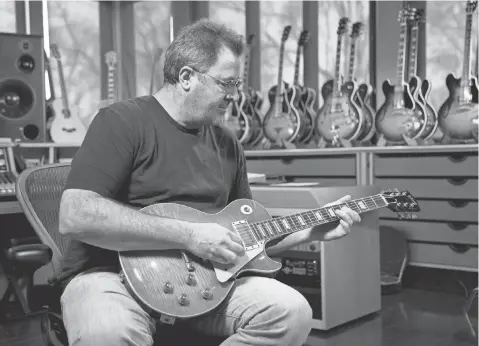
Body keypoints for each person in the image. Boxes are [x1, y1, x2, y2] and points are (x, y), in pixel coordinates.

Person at [56, 19, 361, 346]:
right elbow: (75, 214)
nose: (235, 95)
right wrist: (190, 235)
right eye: (226, 83)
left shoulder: (229, 144)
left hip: (209, 283)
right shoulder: (120, 122)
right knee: (108, 332)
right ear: (187, 77)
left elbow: (245, 238)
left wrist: (310, 231)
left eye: (237, 83)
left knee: (291, 312)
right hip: (111, 278)